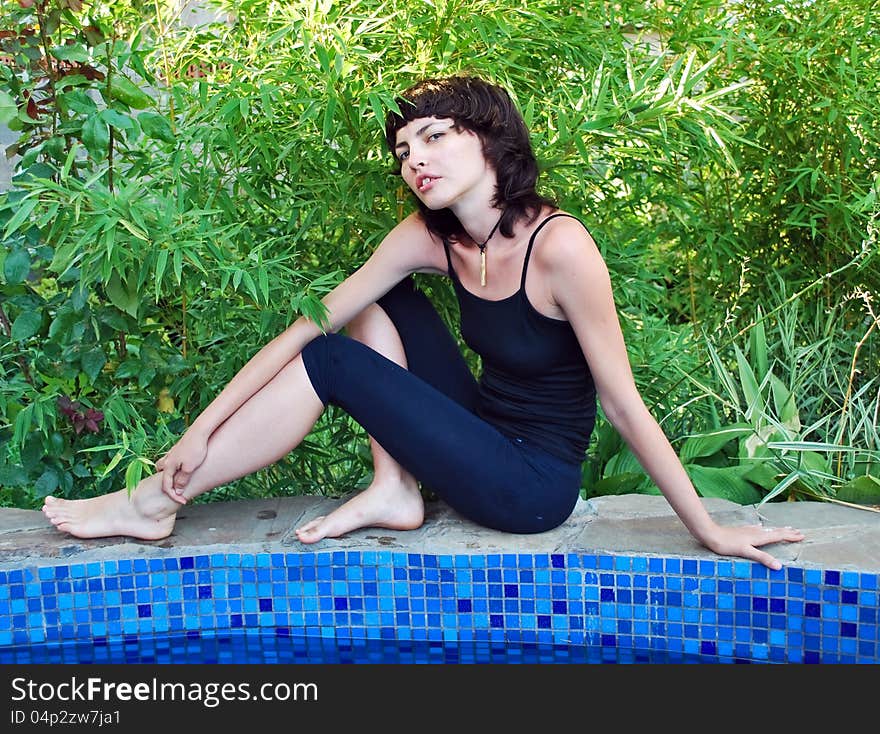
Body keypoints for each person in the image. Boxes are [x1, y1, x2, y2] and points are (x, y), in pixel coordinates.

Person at [42, 75, 804, 570]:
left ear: (493, 142)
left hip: (530, 486)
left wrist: (708, 529)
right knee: (376, 301)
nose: (415, 160)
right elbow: (309, 325)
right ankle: (394, 490)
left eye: (435, 136)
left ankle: (151, 507)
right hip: (481, 428)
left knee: (341, 365)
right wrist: (198, 429)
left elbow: (623, 404)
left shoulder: (561, 247)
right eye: (405, 150)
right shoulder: (426, 236)